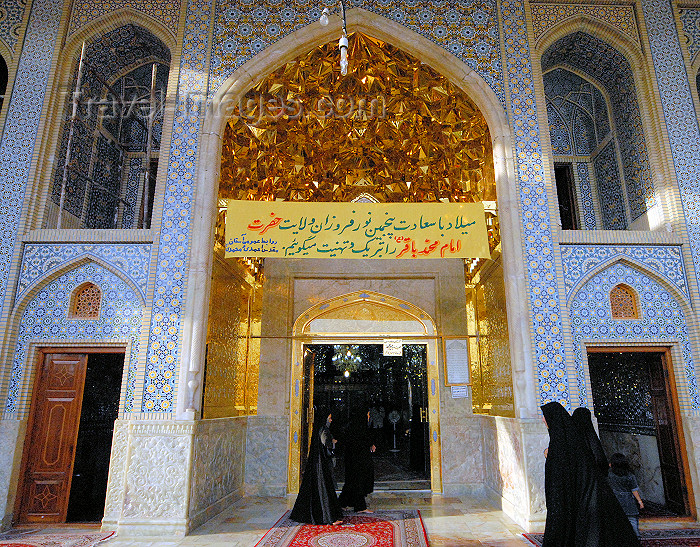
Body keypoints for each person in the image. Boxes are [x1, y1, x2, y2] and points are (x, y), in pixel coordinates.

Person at [290, 406, 343, 525]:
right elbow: (326, 443)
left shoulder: (317, 429)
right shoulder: (323, 430)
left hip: (317, 462)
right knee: (323, 488)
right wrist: (332, 442)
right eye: (329, 418)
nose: (331, 420)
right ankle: (328, 517)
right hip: (321, 464)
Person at [541, 401, 577, 547]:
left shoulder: (563, 444)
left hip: (561, 497)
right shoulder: (557, 440)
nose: (543, 419)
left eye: (544, 416)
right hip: (558, 497)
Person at [338, 407, 376, 512]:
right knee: (358, 482)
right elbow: (359, 443)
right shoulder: (358, 428)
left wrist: (370, 444)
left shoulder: (357, 427)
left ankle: (342, 503)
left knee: (351, 482)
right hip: (357, 461)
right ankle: (360, 506)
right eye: (367, 415)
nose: (369, 417)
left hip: (354, 460)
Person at [608, 452, 645, 537]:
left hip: (615, 499)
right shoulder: (629, 476)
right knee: (632, 520)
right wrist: (640, 501)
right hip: (628, 500)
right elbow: (634, 490)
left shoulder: (610, 475)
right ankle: (636, 536)